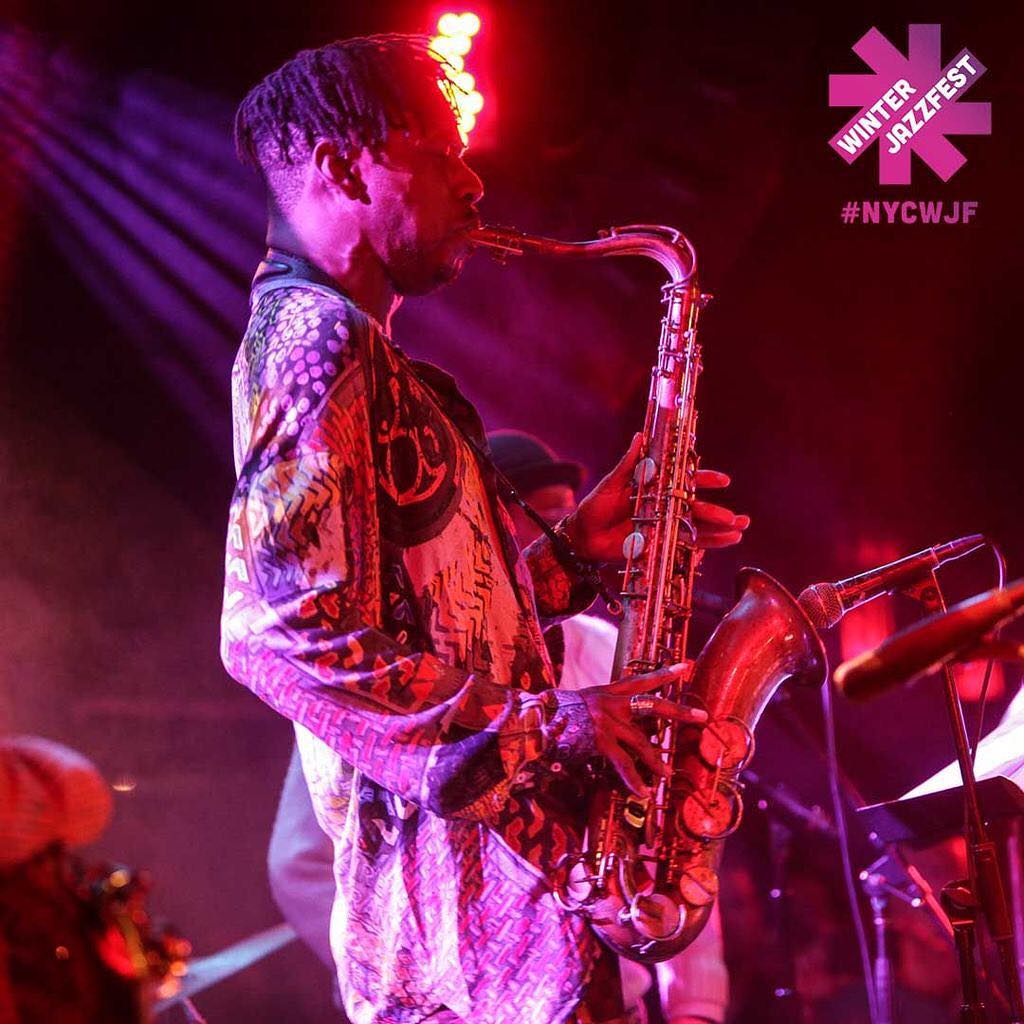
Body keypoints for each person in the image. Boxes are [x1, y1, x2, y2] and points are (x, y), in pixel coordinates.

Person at [223, 35, 747, 1024]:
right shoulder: (314, 341)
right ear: (343, 168)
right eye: (441, 154)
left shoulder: (368, 360)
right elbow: (272, 636)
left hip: (494, 938)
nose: (472, 183)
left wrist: (572, 557)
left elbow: (418, 620)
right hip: (463, 951)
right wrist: (542, 723)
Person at [267, 430, 730, 1024]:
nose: (566, 539)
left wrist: (696, 1002)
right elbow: (298, 861)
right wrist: (405, 973)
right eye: (547, 521)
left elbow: (671, 834)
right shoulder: (391, 674)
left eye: (567, 518)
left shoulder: (606, 646)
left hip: (614, 1001)